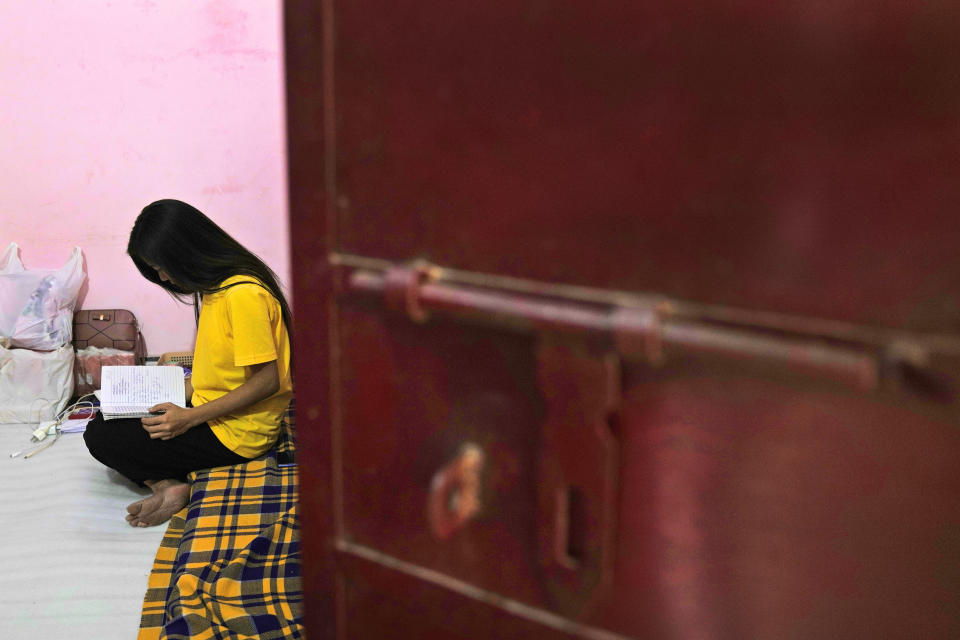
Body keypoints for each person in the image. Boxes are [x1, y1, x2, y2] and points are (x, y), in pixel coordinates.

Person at [83, 199, 293, 527]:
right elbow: (224, 358)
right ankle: (168, 484)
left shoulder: (243, 295)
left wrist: (189, 418)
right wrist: (177, 388)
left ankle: (171, 486)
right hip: (211, 406)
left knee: (101, 436)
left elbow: (268, 381)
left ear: (188, 249)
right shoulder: (214, 288)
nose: (164, 276)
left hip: (238, 432)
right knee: (108, 416)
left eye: (163, 266)